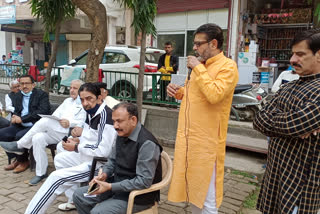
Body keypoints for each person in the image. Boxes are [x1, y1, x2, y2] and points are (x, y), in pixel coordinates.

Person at [166, 23, 238, 214]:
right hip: (190, 138)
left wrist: (198, 69)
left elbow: (215, 95)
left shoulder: (228, 66)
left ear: (213, 43)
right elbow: (195, 95)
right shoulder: (202, 66)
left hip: (208, 143)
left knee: (208, 199)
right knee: (193, 193)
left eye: (199, 44)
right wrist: (178, 92)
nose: (195, 48)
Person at [253, 29, 320, 213]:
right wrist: (292, 121)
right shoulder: (288, 85)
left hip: (301, 185)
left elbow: (294, 124)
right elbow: (259, 119)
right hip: (275, 177)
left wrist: (277, 117)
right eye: (292, 54)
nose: (292, 60)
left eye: (300, 54)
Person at [24, 82, 117, 214]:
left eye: (89, 98)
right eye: (82, 99)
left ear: (99, 97)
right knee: (60, 159)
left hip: (100, 165)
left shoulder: (105, 116)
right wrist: (77, 140)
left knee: (56, 177)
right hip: (87, 157)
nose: (85, 103)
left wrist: (77, 146)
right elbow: (89, 137)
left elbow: (104, 150)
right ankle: (73, 199)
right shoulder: (90, 112)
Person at [73, 102, 162, 214]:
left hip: (137, 196)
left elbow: (143, 181)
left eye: (119, 121)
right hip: (117, 185)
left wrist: (110, 186)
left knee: (98, 212)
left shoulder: (147, 143)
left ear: (133, 120)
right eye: (114, 121)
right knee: (79, 196)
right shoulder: (122, 133)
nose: (115, 126)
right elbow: (112, 160)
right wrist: (104, 174)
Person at [2, 79, 86, 185]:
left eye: (75, 88)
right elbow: (56, 114)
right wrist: (57, 120)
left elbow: (84, 122)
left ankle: (20, 145)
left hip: (69, 134)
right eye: (71, 88)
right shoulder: (67, 101)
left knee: (45, 121)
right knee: (38, 137)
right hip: (57, 130)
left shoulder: (84, 103)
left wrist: (70, 122)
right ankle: (41, 173)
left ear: (81, 90)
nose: (72, 90)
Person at [0, 75, 50, 173]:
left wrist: (22, 119)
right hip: (20, 125)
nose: (24, 86)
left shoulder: (41, 95)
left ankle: (23, 161)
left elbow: (43, 111)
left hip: (34, 125)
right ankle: (17, 158)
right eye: (22, 84)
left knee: (19, 136)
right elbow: (17, 110)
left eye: (27, 83)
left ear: (33, 85)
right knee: (2, 134)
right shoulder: (18, 95)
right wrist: (15, 116)